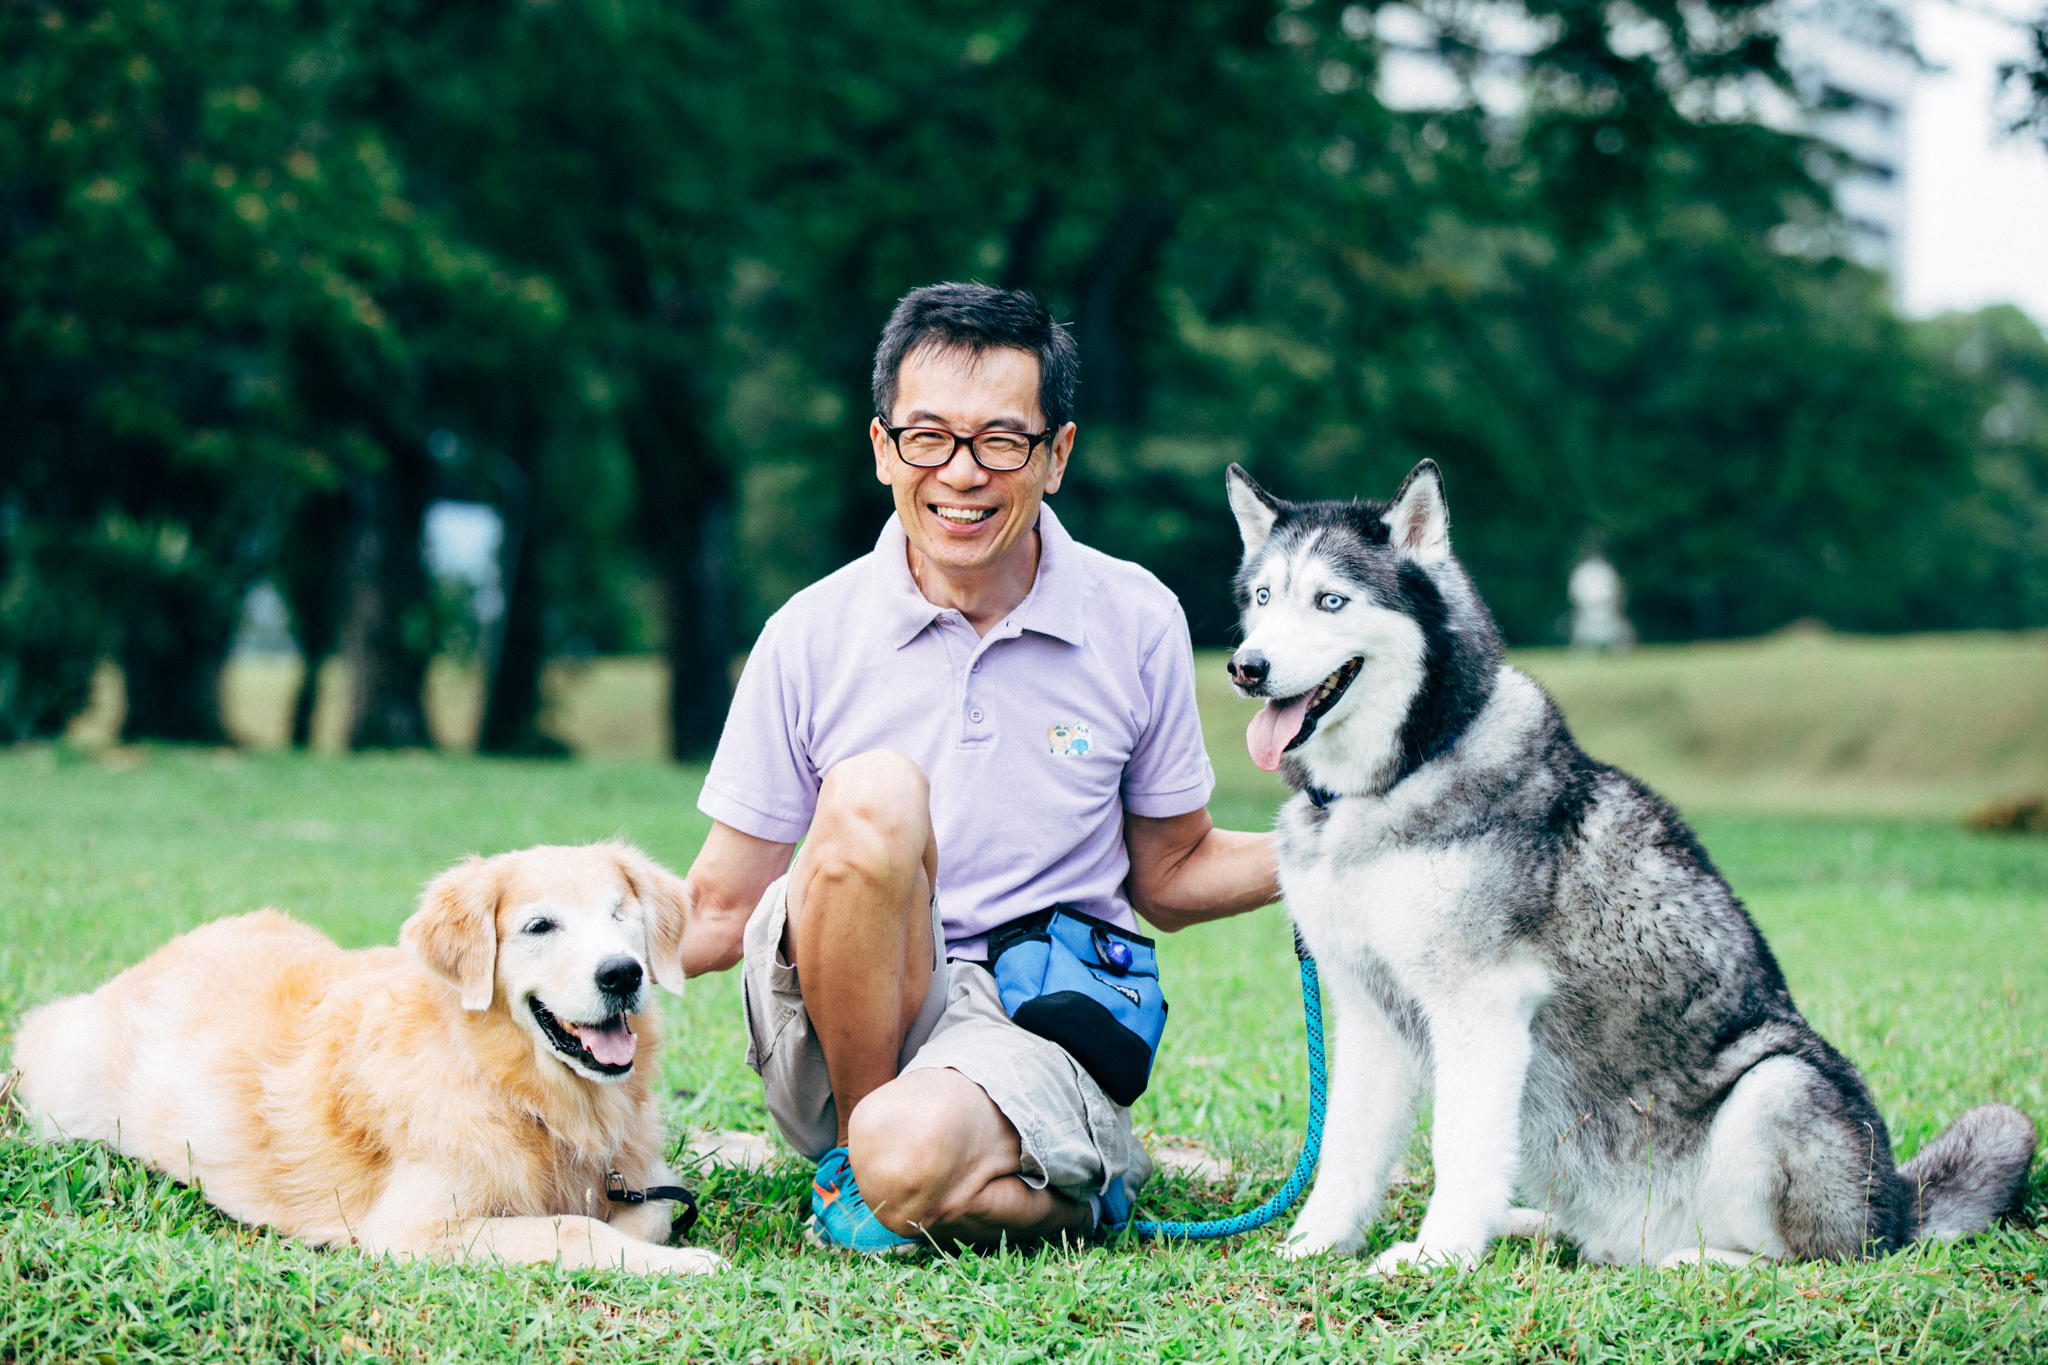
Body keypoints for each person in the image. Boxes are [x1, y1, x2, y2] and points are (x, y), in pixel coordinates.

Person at [676, 283, 1279, 1251]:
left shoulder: (1133, 619)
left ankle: (918, 1174)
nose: (961, 474)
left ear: (1056, 456)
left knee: (911, 1153)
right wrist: (520, 964)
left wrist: (1337, 840)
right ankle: (870, 1164)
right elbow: (711, 906)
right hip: (844, 1025)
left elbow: (1168, 873)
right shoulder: (806, 633)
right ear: (882, 450)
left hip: (1031, 1014)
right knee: (872, 793)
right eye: (927, 438)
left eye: (1000, 441)